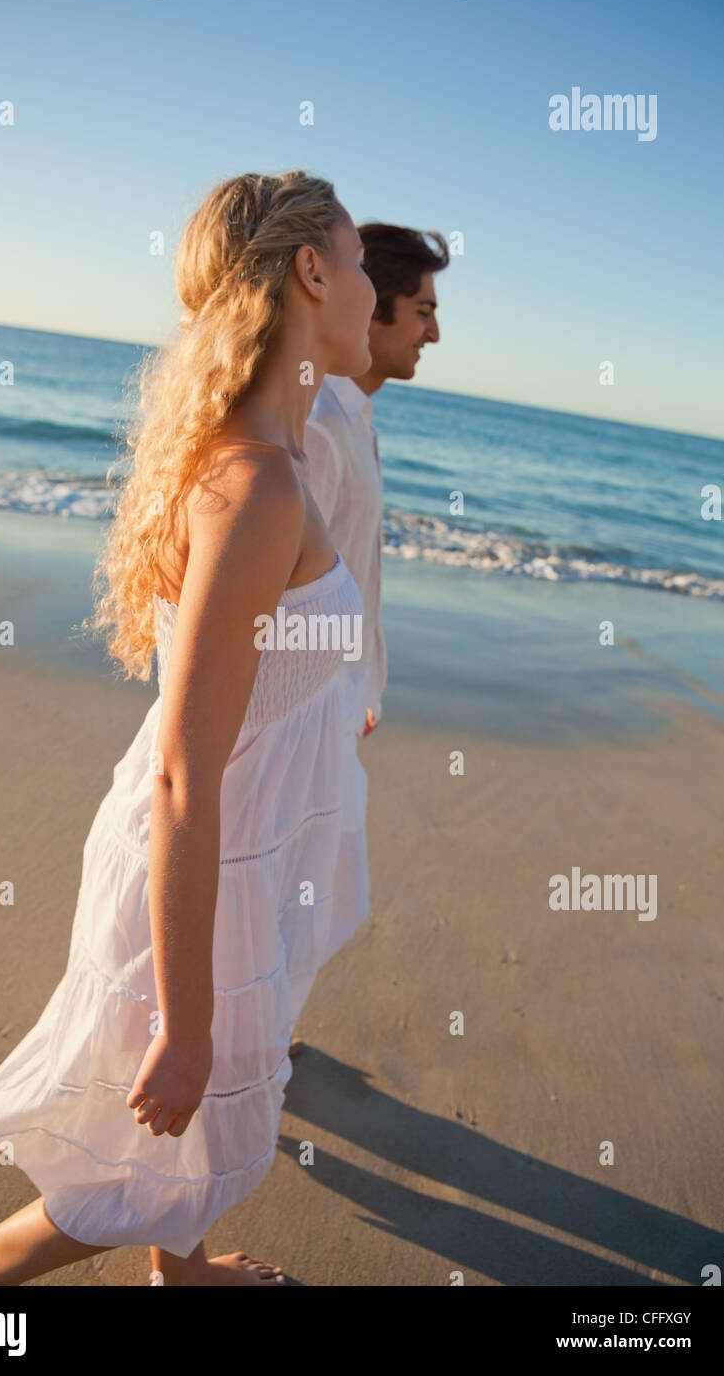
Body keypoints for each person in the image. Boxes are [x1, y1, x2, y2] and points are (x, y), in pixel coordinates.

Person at [0, 169, 375, 1287]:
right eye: (357, 265)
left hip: (229, 849)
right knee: (170, 1130)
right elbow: (181, 776)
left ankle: (181, 1273)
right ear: (309, 273)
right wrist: (188, 1017)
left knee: (183, 1133)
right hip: (196, 859)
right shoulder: (258, 485)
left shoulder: (259, 456)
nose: (368, 288)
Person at [296, 223, 448, 982]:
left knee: (321, 889)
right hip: (300, 716)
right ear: (375, 308)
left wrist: (363, 687)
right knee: (298, 883)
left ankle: (258, 1028)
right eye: (421, 310)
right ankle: (235, 1043)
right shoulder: (319, 427)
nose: (435, 331)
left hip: (336, 703)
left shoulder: (354, 416)